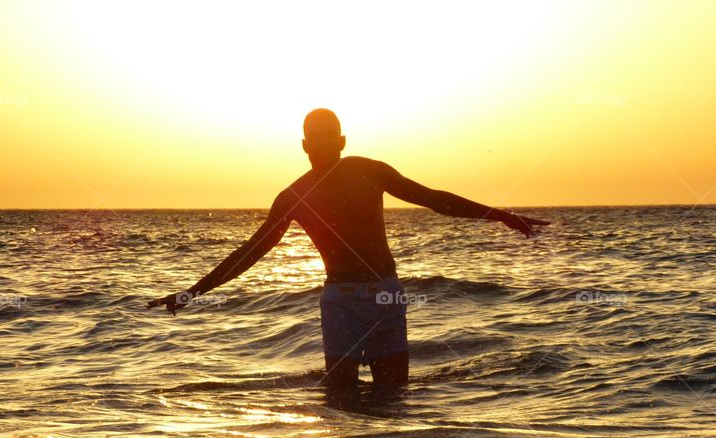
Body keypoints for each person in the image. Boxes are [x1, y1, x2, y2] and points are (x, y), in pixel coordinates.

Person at [148, 108, 549, 403]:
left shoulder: (369, 171)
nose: (322, 145)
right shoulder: (294, 196)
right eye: (315, 139)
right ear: (305, 145)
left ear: (341, 141)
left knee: (393, 399)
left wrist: (500, 216)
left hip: (387, 296)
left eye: (329, 138)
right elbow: (252, 251)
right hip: (340, 302)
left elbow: (433, 200)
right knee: (341, 399)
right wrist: (194, 292)